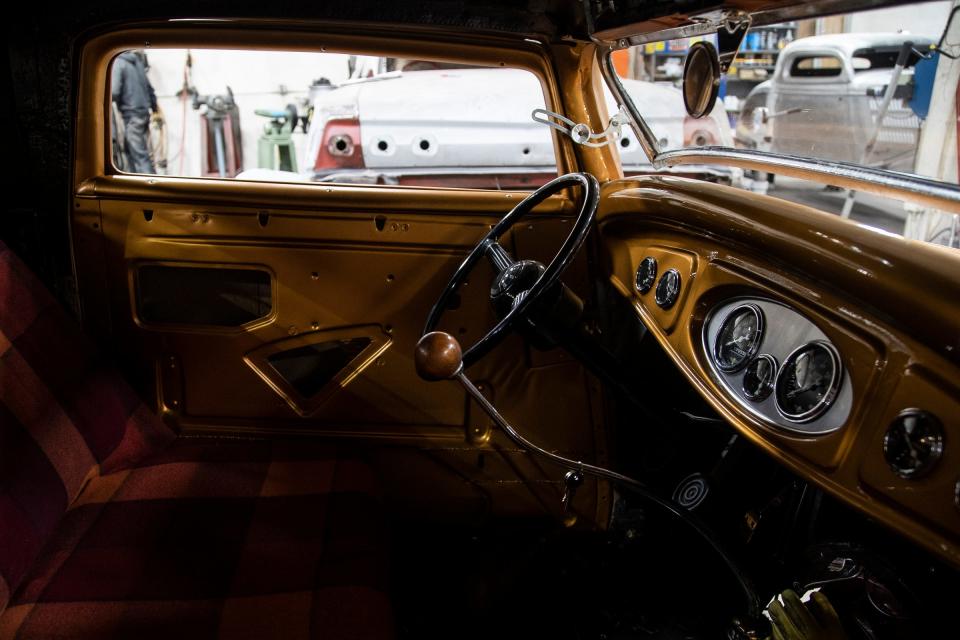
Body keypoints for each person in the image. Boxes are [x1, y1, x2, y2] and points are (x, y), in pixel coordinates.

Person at [111, 50, 157, 173]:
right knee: (129, 151)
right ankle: (135, 185)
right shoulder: (137, 62)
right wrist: (154, 108)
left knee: (140, 156)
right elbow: (150, 89)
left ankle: (153, 188)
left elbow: (114, 91)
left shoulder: (118, 62)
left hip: (132, 115)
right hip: (143, 113)